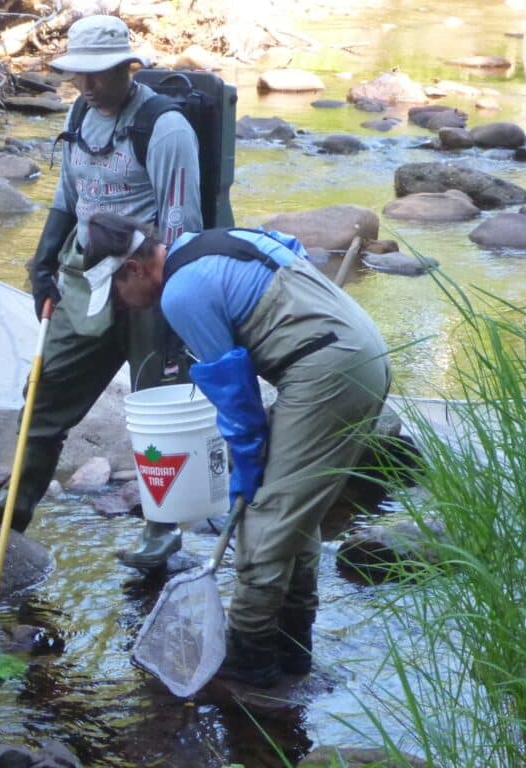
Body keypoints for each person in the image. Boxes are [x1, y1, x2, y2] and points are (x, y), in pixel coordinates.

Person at [82, 212, 391, 688]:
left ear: (135, 270)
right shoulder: (212, 243)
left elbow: (235, 392)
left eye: (118, 295)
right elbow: (291, 247)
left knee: (264, 517)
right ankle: (293, 651)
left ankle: (250, 662)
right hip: (360, 350)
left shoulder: (182, 293)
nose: (124, 307)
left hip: (327, 370)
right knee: (294, 512)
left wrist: (248, 459)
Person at [0, 14, 204, 569]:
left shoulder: (166, 129)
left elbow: (180, 225)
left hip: (151, 286)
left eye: (99, 74)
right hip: (89, 283)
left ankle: (162, 532)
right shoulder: (79, 113)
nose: (88, 84)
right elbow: (68, 197)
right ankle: (15, 508)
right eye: (79, 74)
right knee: (44, 393)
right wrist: (43, 263)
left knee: (155, 413)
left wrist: (170, 309)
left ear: (130, 67)